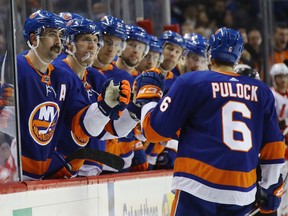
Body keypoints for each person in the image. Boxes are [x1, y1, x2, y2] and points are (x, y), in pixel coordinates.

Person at [134, 27, 285, 215]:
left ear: (209, 54)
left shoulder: (191, 82)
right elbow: (275, 146)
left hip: (196, 185)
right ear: (237, 59)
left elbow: (153, 132)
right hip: (241, 192)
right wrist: (268, 186)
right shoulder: (261, 91)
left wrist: (148, 100)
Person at [18, 10, 128, 180]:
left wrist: (134, 112)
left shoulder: (87, 77)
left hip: (65, 169)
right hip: (34, 169)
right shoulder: (49, 71)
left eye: (94, 41)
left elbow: (99, 128)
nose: (93, 46)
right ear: (70, 45)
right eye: (86, 40)